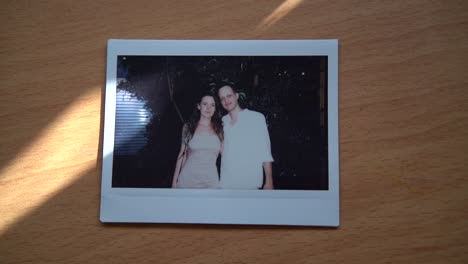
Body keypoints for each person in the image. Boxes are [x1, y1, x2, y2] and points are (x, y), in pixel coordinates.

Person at [217, 85, 274, 190]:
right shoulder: (223, 122)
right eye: (222, 98)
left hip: (250, 183)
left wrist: (269, 181)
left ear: (237, 96)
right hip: (226, 184)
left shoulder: (256, 118)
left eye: (229, 96)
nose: (226, 100)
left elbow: (265, 151)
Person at [172, 93, 223, 189]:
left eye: (212, 105)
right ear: (199, 106)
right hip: (188, 181)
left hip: (211, 182)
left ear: (215, 109)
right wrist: (174, 182)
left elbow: (226, 156)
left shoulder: (220, 129)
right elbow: (182, 155)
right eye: (205, 104)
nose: (208, 108)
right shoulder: (188, 127)